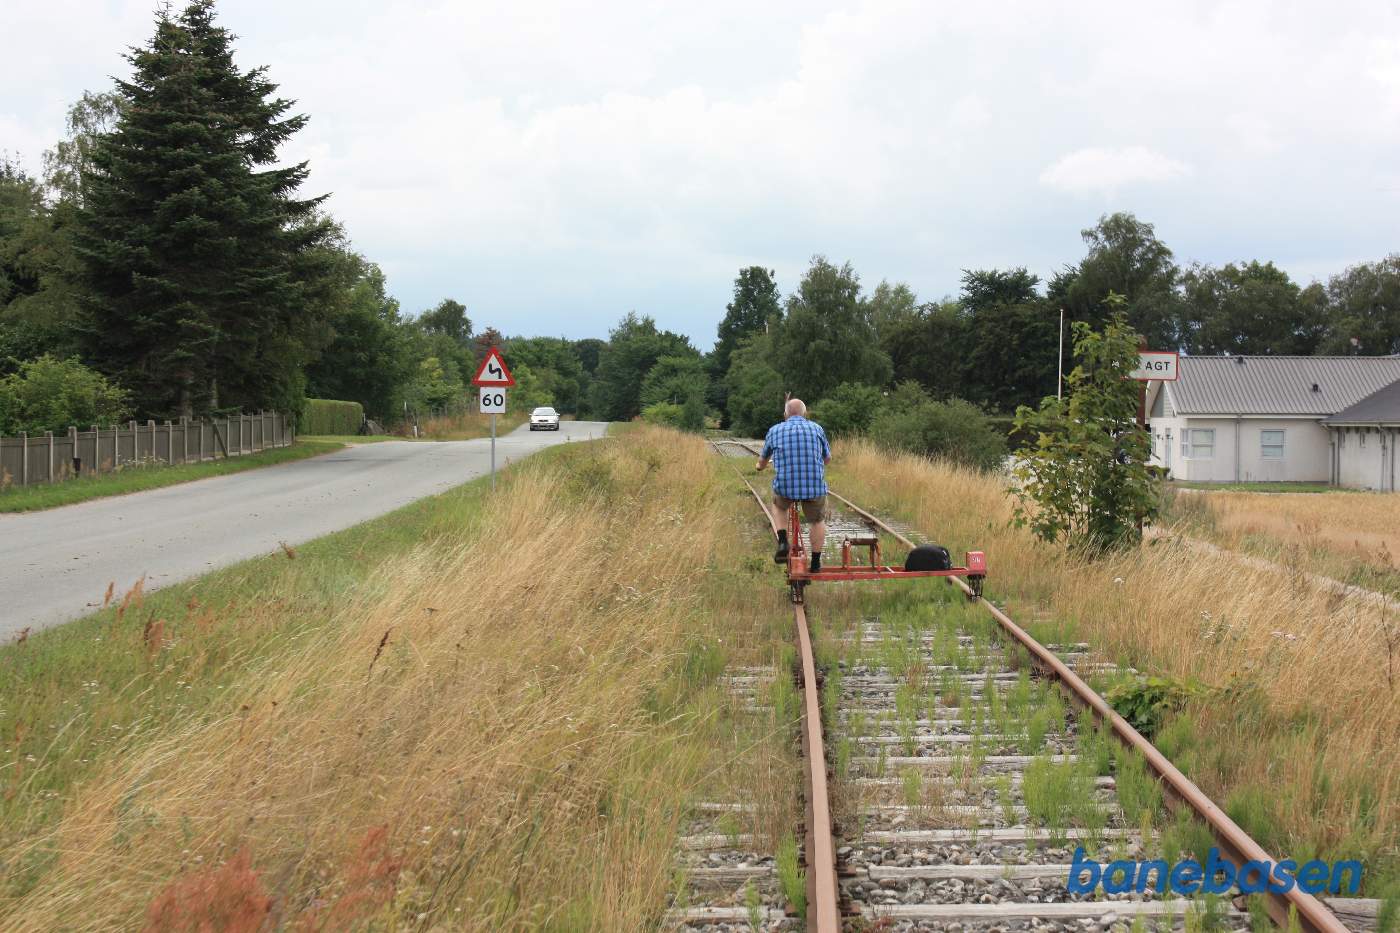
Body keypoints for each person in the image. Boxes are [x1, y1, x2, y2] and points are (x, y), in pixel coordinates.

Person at [755, 397, 831, 572]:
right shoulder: (817, 428)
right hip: (814, 487)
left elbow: (762, 461)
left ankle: (783, 541)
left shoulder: (774, 430)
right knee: (817, 520)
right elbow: (827, 459)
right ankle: (815, 563)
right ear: (805, 413)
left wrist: (759, 467)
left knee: (779, 505)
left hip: (786, 487)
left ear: (785, 414)